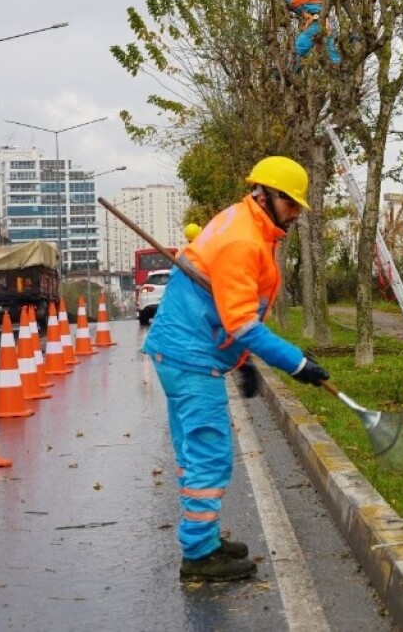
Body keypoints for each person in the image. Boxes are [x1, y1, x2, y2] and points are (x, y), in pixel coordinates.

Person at [143, 156, 331, 583]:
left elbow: (231, 308)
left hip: (182, 351)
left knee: (195, 453)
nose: (297, 213)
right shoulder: (243, 240)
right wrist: (297, 364)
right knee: (210, 455)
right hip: (192, 358)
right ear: (265, 194)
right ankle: (199, 556)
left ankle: (203, 539)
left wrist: (243, 362)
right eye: (292, 203)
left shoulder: (248, 225)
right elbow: (242, 322)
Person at [286, 0, 341, 64]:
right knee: (331, 52)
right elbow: (302, 9)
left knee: (299, 46)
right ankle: (339, 69)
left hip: (316, 23)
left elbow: (293, 2)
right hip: (327, 25)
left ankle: (290, 68)